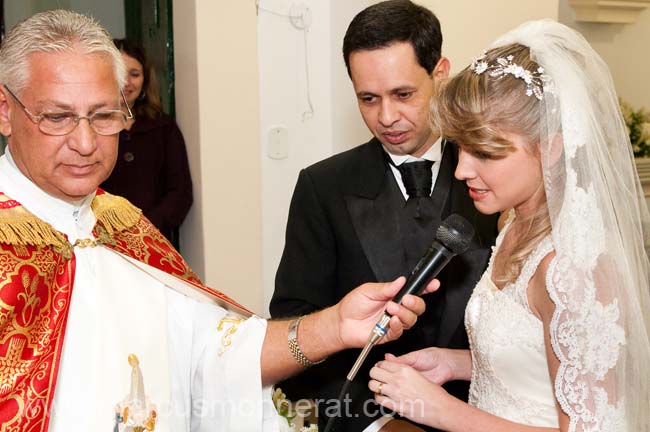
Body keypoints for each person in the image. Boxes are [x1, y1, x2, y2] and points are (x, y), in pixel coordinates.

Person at [0, 10, 436, 431]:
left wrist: (336, 326)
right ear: (5, 110)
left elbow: (216, 356)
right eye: (57, 117)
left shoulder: (123, 226)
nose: (85, 142)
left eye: (103, 116)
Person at [368, 19, 650, 431]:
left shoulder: (572, 267)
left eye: (484, 151)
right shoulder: (514, 221)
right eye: (460, 148)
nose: (462, 169)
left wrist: (443, 410)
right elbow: (541, 361)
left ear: (551, 148)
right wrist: (454, 364)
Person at [270, 1, 498, 430]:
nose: (387, 117)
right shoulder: (323, 187)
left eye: (403, 94)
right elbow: (293, 325)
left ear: (440, 73)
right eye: (368, 98)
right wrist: (369, 421)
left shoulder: (496, 177)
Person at [101, 38, 192, 246]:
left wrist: (146, 228)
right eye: (120, 73)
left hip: (154, 242)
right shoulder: (90, 126)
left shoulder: (163, 127)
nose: (127, 82)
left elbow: (181, 192)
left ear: (145, 81)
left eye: (134, 74)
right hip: (104, 242)